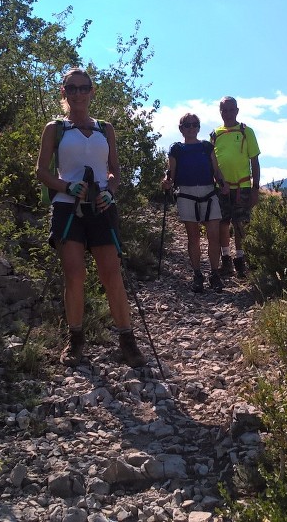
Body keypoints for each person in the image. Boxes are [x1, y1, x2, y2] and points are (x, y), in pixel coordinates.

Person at [35, 67, 146, 368]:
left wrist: (110, 189)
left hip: (101, 206)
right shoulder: (55, 128)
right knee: (74, 275)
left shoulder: (104, 128)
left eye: (84, 88)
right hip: (66, 207)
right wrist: (67, 186)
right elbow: (41, 171)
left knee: (112, 273)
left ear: (92, 90)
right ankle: (76, 339)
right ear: (64, 92)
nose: (79, 93)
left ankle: (127, 339)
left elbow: (115, 171)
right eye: (73, 88)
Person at [161, 113, 228, 293]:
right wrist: (166, 182)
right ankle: (197, 274)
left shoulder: (207, 147)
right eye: (187, 125)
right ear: (181, 128)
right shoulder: (176, 149)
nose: (191, 128)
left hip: (208, 191)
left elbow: (216, 170)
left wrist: (222, 184)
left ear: (199, 127)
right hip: (186, 193)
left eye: (194, 124)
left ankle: (214, 274)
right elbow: (171, 173)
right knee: (194, 237)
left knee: (213, 236)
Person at [211, 96, 260, 278]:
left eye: (232, 110)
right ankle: (226, 260)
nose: (228, 113)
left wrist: (255, 188)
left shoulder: (247, 131)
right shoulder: (215, 135)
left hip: (243, 186)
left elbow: (254, 161)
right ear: (220, 112)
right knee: (223, 223)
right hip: (221, 186)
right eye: (225, 110)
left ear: (237, 111)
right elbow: (212, 163)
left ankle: (240, 261)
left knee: (240, 224)